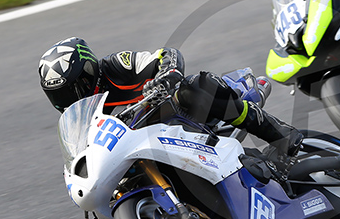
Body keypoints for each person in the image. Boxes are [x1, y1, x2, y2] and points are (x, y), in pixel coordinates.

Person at [38, 37, 303, 177]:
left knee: (193, 87)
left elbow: (166, 54)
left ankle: (280, 134)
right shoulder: (79, 120)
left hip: (178, 117)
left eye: (72, 88)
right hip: (144, 149)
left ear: (87, 72)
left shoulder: (116, 66)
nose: (68, 98)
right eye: (58, 95)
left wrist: (166, 75)